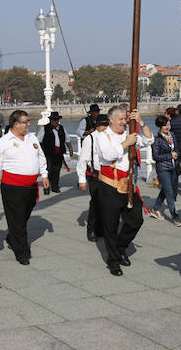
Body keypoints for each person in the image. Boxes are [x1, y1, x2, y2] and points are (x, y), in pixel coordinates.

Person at [95, 106, 153, 276]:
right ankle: (113, 261)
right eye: (120, 119)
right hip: (109, 185)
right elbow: (108, 155)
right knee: (110, 226)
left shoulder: (130, 132)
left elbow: (149, 140)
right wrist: (126, 143)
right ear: (111, 119)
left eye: (125, 118)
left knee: (136, 220)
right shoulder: (103, 136)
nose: (123, 122)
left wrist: (141, 122)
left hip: (127, 184)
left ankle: (120, 247)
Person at [0, 110, 48, 265]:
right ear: (16, 124)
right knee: (18, 219)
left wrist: (45, 174)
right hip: (13, 187)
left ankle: (12, 237)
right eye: (26, 122)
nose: (29, 124)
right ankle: (21, 251)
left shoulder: (32, 137)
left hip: (31, 186)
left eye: (28, 122)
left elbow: (41, 156)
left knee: (23, 216)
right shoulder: (3, 142)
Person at [77, 113, 109, 241]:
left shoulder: (110, 137)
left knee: (106, 203)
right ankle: (91, 229)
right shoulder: (89, 139)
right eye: (102, 125)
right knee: (96, 202)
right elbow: (83, 161)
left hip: (108, 175)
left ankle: (102, 229)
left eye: (107, 124)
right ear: (97, 125)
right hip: (95, 175)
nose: (105, 127)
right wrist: (81, 180)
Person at [149, 115, 181, 226]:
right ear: (159, 127)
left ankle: (155, 209)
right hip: (163, 168)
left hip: (173, 166)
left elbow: (177, 148)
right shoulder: (157, 139)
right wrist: (170, 155)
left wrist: (176, 154)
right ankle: (175, 216)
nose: (167, 127)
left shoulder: (172, 135)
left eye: (168, 124)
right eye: (164, 125)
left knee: (166, 189)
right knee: (169, 192)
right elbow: (155, 156)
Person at [39, 111, 72, 194]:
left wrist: (70, 148)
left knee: (56, 170)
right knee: (48, 170)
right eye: (54, 120)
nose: (56, 122)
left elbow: (67, 139)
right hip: (48, 153)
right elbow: (38, 141)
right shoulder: (44, 128)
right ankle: (46, 187)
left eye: (57, 120)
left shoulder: (62, 128)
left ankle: (55, 187)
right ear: (50, 120)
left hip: (59, 153)